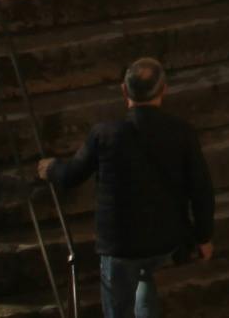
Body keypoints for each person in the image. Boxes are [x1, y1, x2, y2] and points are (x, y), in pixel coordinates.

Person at [34, 55, 214, 316]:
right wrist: (204, 236)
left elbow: (71, 175)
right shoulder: (181, 131)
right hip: (165, 239)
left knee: (119, 306)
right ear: (164, 90)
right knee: (145, 279)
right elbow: (201, 188)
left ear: (124, 90)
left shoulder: (105, 134)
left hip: (121, 243)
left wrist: (50, 168)